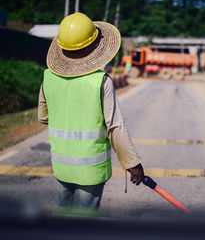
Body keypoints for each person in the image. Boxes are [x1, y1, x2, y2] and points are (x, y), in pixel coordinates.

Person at [38, 12, 144, 210]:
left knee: (64, 213)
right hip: (91, 170)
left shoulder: (48, 77)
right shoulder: (100, 81)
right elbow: (115, 127)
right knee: (84, 222)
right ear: (94, 46)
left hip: (61, 166)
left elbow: (43, 117)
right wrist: (132, 163)